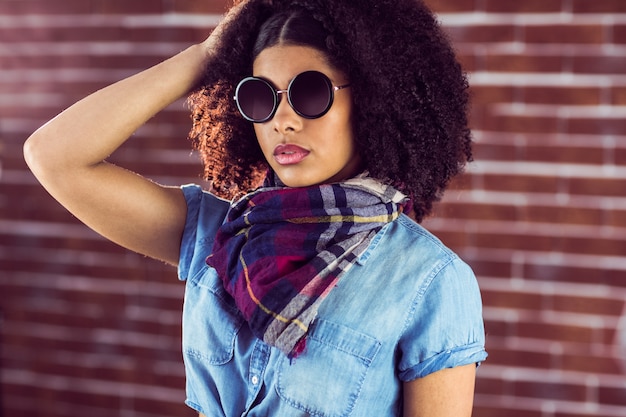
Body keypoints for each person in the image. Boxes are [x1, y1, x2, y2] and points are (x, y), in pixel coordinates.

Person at [24, 0, 487, 415]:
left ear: (372, 100)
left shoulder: (431, 281)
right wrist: (209, 55)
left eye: (310, 93)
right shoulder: (217, 235)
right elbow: (54, 157)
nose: (282, 120)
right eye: (260, 97)